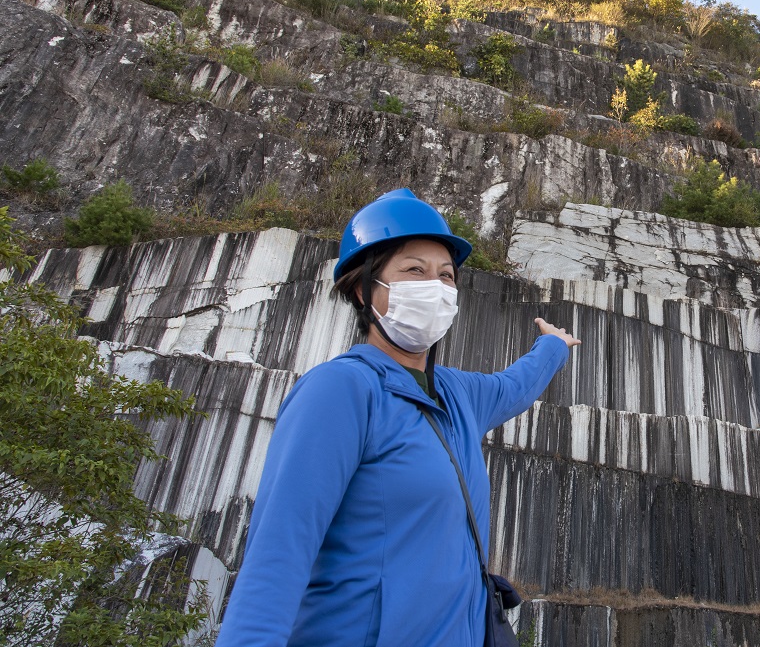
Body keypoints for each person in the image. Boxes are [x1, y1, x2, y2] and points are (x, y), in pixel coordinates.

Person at [215, 189, 580, 647]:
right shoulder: (341, 391)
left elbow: (515, 386)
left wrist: (553, 347)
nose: (436, 286)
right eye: (414, 270)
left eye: (446, 275)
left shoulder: (456, 394)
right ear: (362, 288)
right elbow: (277, 556)